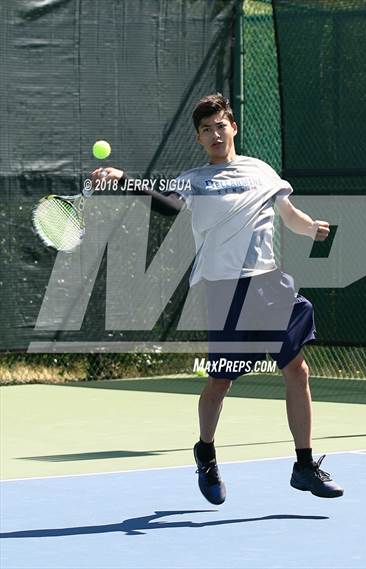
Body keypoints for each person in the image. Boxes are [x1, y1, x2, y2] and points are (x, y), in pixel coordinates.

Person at [91, 93, 343, 504]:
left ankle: (304, 465)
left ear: (233, 128)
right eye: (206, 129)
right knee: (221, 381)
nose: (214, 134)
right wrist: (122, 179)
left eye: (220, 125)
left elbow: (288, 212)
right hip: (225, 291)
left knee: (297, 371)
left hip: (270, 283)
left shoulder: (261, 171)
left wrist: (308, 227)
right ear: (199, 137)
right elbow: (169, 207)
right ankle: (205, 452)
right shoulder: (193, 181)